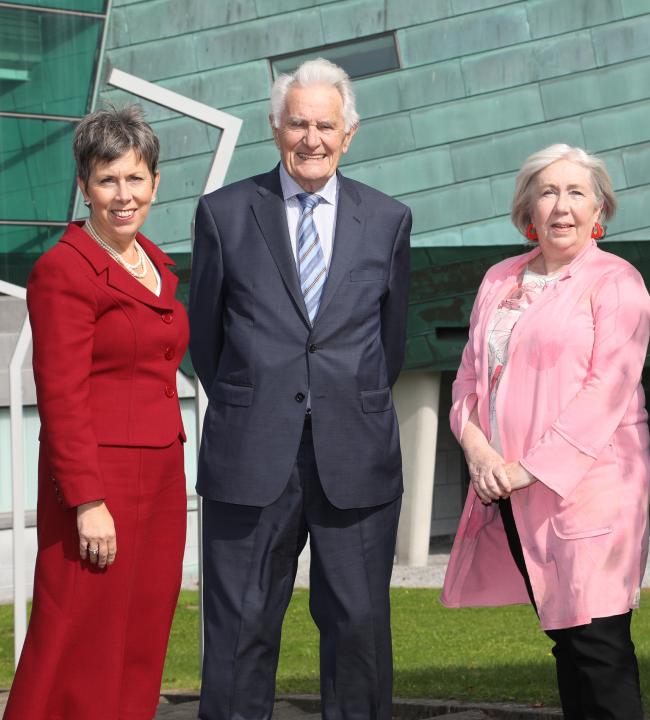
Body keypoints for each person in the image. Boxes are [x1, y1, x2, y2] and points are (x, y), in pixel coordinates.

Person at [189, 56, 411, 720]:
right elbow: (207, 338)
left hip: (357, 454)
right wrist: (258, 396)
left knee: (360, 634)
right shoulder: (224, 214)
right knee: (238, 634)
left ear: (350, 133)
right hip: (250, 454)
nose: (310, 139)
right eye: (297, 124)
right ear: (275, 127)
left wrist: (340, 398)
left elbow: (389, 343)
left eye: (324, 125)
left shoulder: (390, 218)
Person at [441, 144, 650, 719]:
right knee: (566, 641)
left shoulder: (617, 282)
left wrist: (524, 467)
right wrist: (478, 448)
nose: (562, 206)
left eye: (576, 192)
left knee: (599, 646)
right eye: (548, 191)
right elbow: (468, 380)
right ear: (527, 208)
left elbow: (606, 391)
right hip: (511, 490)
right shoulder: (499, 279)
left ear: (599, 209)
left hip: (591, 491)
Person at [4, 106, 188, 720]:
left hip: (159, 481)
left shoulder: (157, 266)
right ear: (83, 186)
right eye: (107, 180)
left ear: (155, 184)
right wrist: (87, 501)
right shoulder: (64, 270)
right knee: (75, 636)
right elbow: (60, 396)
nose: (123, 195)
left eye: (135, 179)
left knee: (139, 636)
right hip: (98, 486)